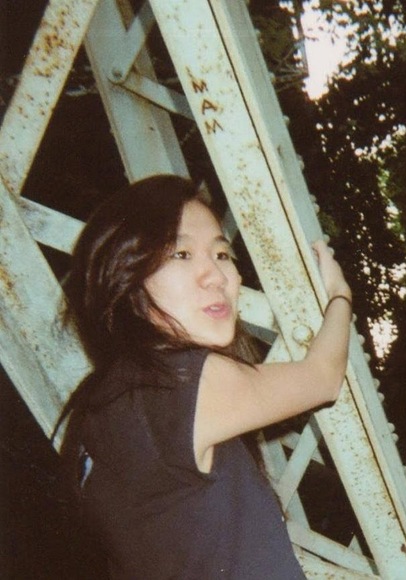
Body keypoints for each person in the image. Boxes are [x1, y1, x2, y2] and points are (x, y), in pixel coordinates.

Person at [58, 174, 352, 579]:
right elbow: (324, 376)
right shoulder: (183, 383)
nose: (216, 275)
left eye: (222, 254)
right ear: (127, 272)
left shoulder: (93, 413)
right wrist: (340, 295)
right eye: (181, 254)